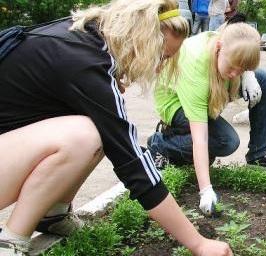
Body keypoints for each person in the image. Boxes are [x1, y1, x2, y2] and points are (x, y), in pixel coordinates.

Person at [0, 0, 232, 255]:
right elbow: (134, 165)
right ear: (143, 39)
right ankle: (11, 241)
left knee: (95, 129)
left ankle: (53, 215)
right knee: (84, 137)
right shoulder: (85, 64)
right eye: (162, 56)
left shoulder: (83, 38)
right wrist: (198, 244)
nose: (159, 67)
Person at [148, 22, 266, 217]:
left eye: (240, 69)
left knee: (265, 80)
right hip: (175, 102)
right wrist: (205, 190)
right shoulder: (196, 69)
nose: (234, 74)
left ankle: (258, 155)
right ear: (219, 49)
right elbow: (200, 138)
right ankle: (160, 145)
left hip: (208, 81)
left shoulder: (228, 44)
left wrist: (248, 72)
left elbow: (239, 58)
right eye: (233, 67)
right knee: (226, 141)